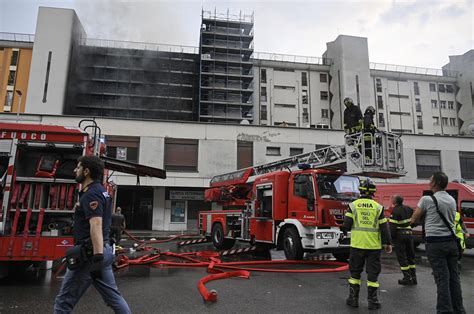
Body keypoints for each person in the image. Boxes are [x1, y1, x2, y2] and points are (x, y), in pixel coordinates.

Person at [54, 156, 131, 313]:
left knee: (63, 302)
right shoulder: (100, 191)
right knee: (113, 297)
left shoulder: (92, 194)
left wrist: (97, 256)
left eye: (78, 167)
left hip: (89, 255)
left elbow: (96, 224)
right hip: (102, 250)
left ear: (86, 171)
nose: (75, 170)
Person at [411, 172, 465, 313]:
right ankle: (459, 309)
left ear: (435, 183)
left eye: (430, 179)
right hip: (452, 243)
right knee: (454, 278)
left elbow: (414, 220)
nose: (429, 181)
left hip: (435, 243)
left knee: (442, 279)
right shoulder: (451, 200)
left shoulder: (426, 200)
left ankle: (444, 310)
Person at [344, 178, 392, 310]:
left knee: (355, 273)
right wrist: (387, 243)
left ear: (360, 191)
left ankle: (353, 299)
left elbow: (347, 225)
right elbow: (384, 227)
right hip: (373, 246)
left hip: (357, 245)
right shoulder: (378, 207)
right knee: (372, 274)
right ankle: (373, 301)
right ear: (373, 192)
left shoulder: (353, 206)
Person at [389, 195, 416, 285]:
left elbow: (392, 227)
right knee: (410, 257)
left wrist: (390, 240)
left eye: (392, 199)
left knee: (402, 257)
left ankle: (407, 278)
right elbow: (416, 219)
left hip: (400, 236)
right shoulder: (408, 208)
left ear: (395, 201)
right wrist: (410, 226)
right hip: (409, 234)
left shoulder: (395, 210)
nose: (391, 200)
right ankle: (414, 277)